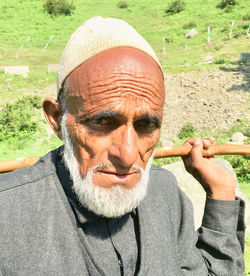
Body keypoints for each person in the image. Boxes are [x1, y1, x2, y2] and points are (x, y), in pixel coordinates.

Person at [0, 16, 245, 275]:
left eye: (146, 125)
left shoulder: (165, 193)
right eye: (103, 122)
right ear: (57, 119)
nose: (128, 155)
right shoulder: (8, 213)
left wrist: (221, 193)